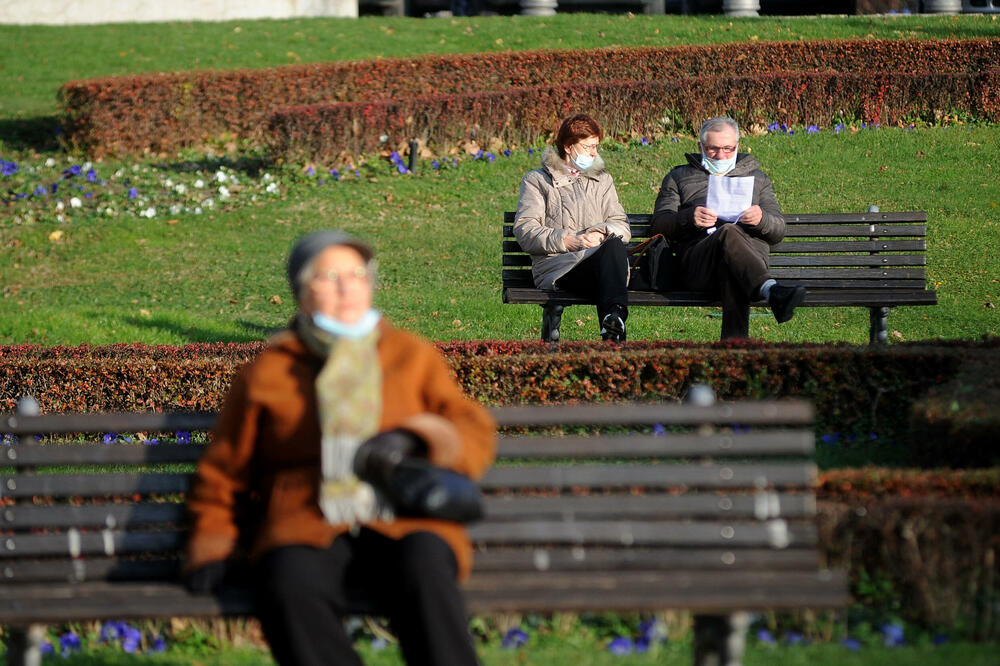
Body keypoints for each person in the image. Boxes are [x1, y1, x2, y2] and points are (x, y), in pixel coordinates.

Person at [182, 230, 496, 666]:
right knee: (289, 581)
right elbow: (225, 469)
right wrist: (212, 543)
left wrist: (416, 438)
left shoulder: (411, 354)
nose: (347, 287)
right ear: (301, 293)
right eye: (329, 277)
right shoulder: (268, 371)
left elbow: (472, 429)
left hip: (400, 514)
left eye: (357, 274)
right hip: (306, 517)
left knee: (426, 566)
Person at [651, 117, 806, 340]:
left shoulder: (758, 179)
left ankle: (733, 353)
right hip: (700, 266)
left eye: (727, 148)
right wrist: (689, 218)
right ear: (700, 147)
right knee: (728, 232)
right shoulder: (678, 177)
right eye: (713, 149)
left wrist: (761, 220)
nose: (721, 155)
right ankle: (771, 290)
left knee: (732, 268)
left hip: (746, 264)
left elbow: (778, 230)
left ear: (737, 147)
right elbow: (658, 226)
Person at [514, 113, 631, 341]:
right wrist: (567, 240)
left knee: (614, 243)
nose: (594, 153)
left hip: (598, 264)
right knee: (611, 255)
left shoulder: (602, 180)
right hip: (559, 267)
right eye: (588, 147)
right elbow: (525, 229)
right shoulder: (537, 181)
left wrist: (602, 232)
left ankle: (613, 320)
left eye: (596, 146)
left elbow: (621, 224)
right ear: (568, 147)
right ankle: (614, 331)